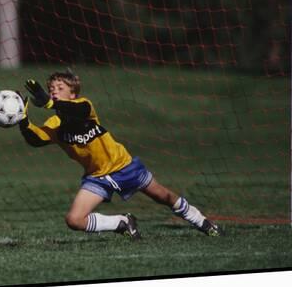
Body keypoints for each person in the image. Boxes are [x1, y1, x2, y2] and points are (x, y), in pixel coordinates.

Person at [19, 70, 223, 239]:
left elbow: (76, 112)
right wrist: (22, 120)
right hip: (97, 177)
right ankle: (122, 223)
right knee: (74, 220)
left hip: (123, 166)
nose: (53, 92)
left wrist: (49, 103)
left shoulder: (84, 106)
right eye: (50, 90)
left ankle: (202, 221)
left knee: (165, 197)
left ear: (73, 94)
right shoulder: (54, 124)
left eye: (60, 89)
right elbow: (36, 139)